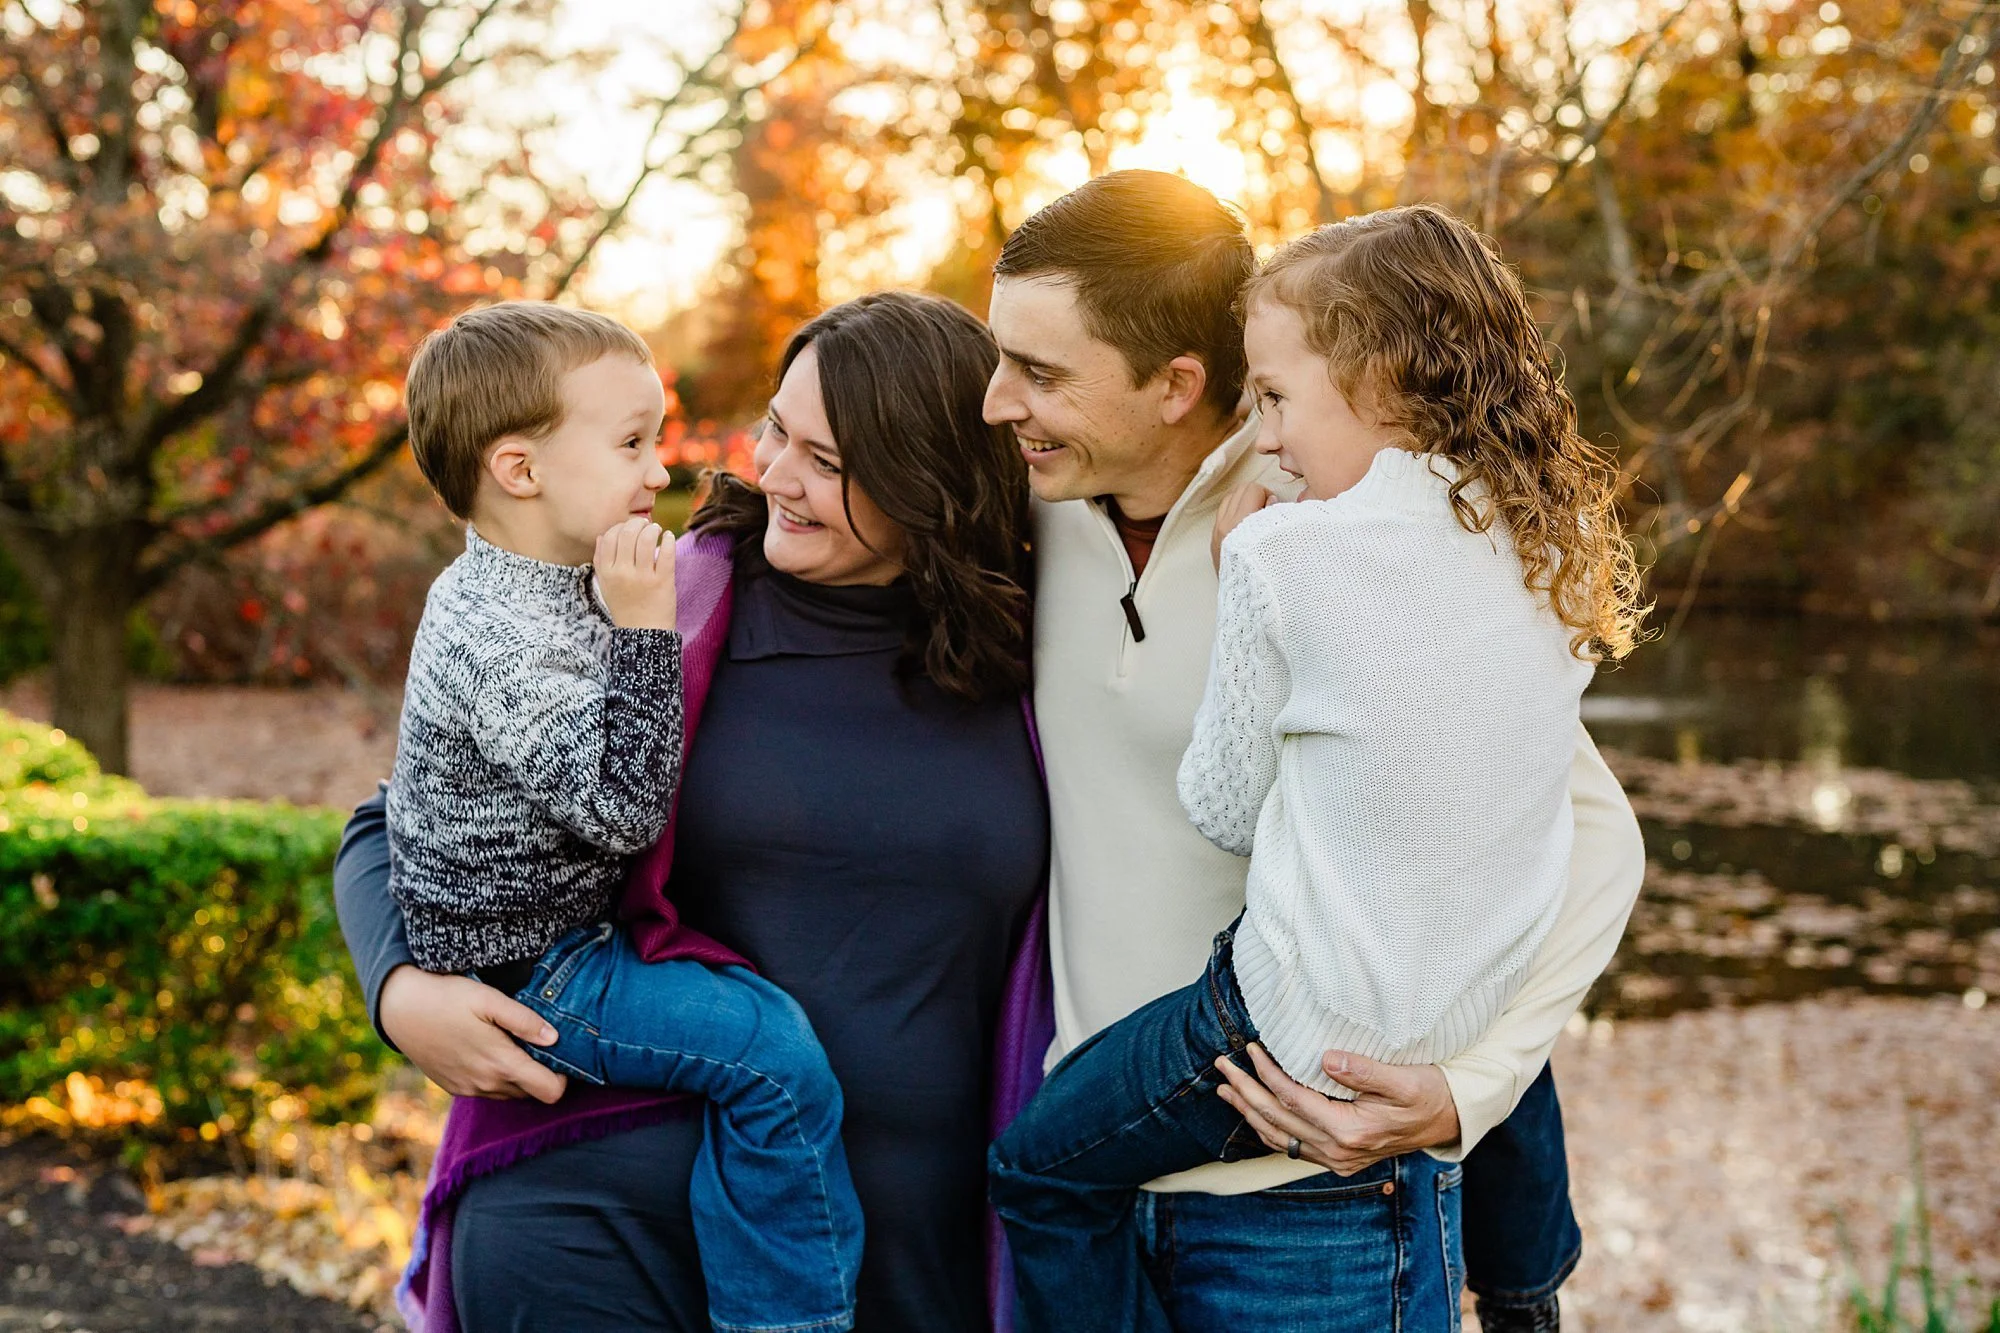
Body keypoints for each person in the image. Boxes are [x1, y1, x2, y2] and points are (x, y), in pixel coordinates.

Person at [981, 171, 1645, 1332]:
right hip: (1102, 1166)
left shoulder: (1333, 526)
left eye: (1039, 372)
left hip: (1318, 1202)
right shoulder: (1026, 506)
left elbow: (1585, 842)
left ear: (1179, 384)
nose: (996, 403)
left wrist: (1464, 1094)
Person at [335, 292, 1051, 1332]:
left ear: (927, 475)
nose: (775, 475)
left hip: (910, 1245)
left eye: (829, 461)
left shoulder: (1034, 648)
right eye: (776, 429)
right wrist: (400, 989)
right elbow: (398, 813)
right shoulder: (675, 599)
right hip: (600, 1217)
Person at [383, 301, 863, 1333]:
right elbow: (619, 808)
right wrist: (648, 631)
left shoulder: (537, 588)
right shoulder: (501, 634)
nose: (660, 471)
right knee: (773, 1060)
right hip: (535, 969)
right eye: (632, 444)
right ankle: (788, 1320)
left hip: (544, 942)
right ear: (522, 470)